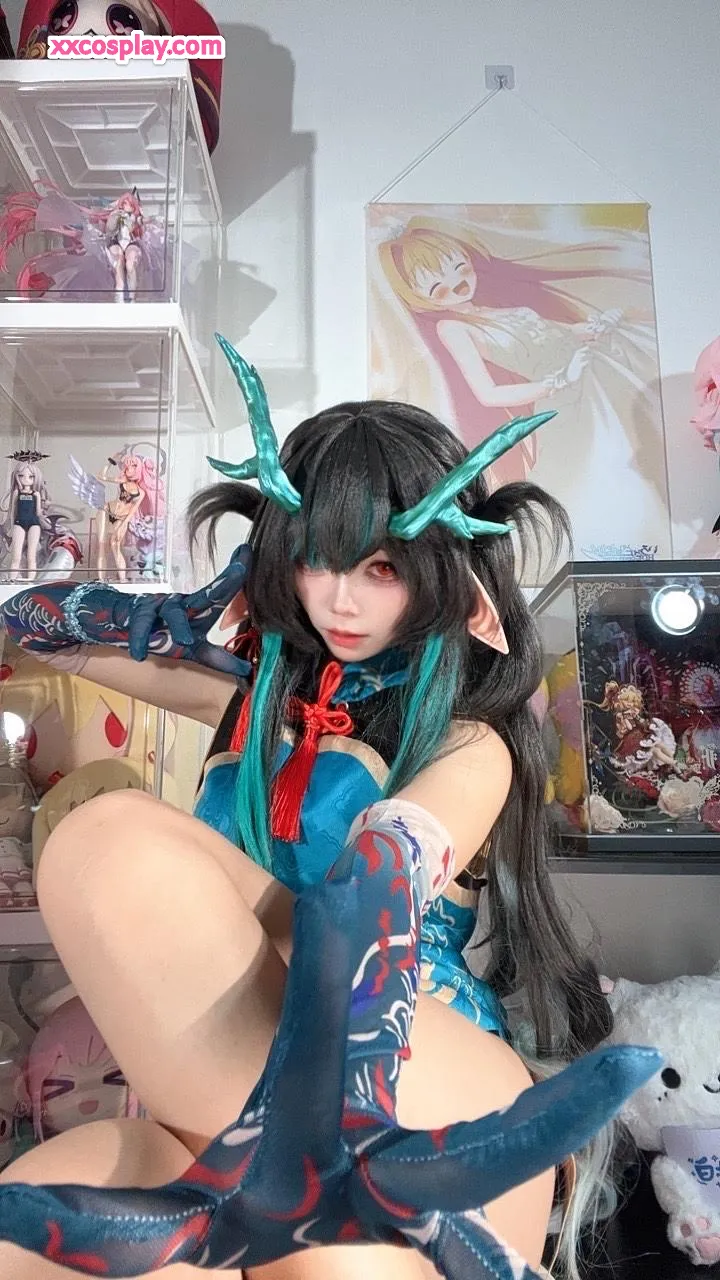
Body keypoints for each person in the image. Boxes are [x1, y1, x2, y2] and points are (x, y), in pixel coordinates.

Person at [0, 337, 659, 1279]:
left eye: (381, 568)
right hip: (225, 1104)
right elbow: (31, 625)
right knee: (111, 850)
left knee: (121, 842)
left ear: (446, 573)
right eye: (314, 560)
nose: (340, 600)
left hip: (404, 1066)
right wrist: (154, 617)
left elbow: (392, 865)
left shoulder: (466, 741)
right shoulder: (253, 700)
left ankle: (314, 1154)